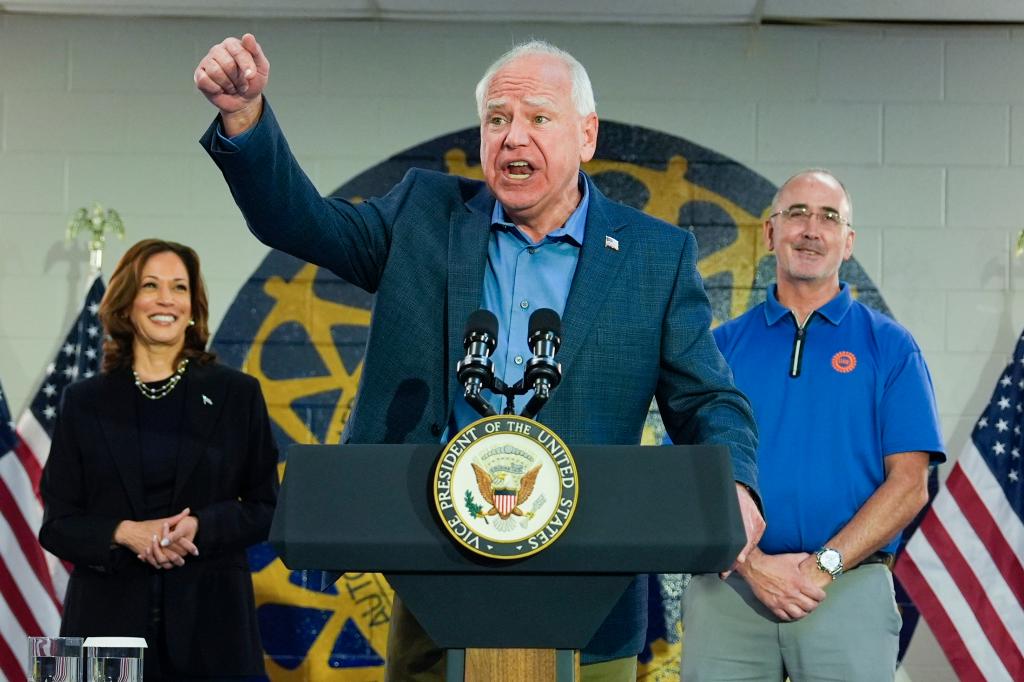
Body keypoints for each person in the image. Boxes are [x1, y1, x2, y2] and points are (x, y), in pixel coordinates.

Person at [195, 35, 763, 681]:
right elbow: (300, 223)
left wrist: (736, 485)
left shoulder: (653, 255)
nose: (512, 136)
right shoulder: (423, 213)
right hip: (439, 574)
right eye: (497, 119)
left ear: (586, 134)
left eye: (537, 118)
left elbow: (706, 397)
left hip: (590, 591)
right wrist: (245, 119)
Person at [682, 169, 946, 681]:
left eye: (829, 218)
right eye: (797, 213)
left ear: (847, 243)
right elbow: (685, 473)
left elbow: (910, 485)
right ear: (769, 233)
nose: (811, 229)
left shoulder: (890, 348)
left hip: (846, 586)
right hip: (731, 585)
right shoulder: (718, 349)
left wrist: (820, 566)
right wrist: (754, 565)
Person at [39, 239, 279, 681]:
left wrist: (202, 526)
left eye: (179, 287)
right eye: (151, 285)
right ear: (127, 304)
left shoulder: (237, 395)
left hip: (214, 631)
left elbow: (267, 507)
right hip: (105, 628)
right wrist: (125, 533)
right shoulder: (84, 401)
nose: (166, 299)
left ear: (193, 307)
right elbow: (57, 525)